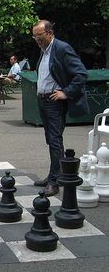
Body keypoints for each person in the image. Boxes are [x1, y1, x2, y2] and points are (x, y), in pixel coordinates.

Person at [31, 20, 89, 196]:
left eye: (39, 35)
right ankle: (53, 175)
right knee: (51, 139)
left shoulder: (62, 48)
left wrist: (66, 92)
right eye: (34, 36)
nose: (36, 39)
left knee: (55, 140)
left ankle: (55, 182)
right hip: (44, 100)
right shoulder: (44, 51)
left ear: (49, 33)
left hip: (54, 102)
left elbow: (81, 74)